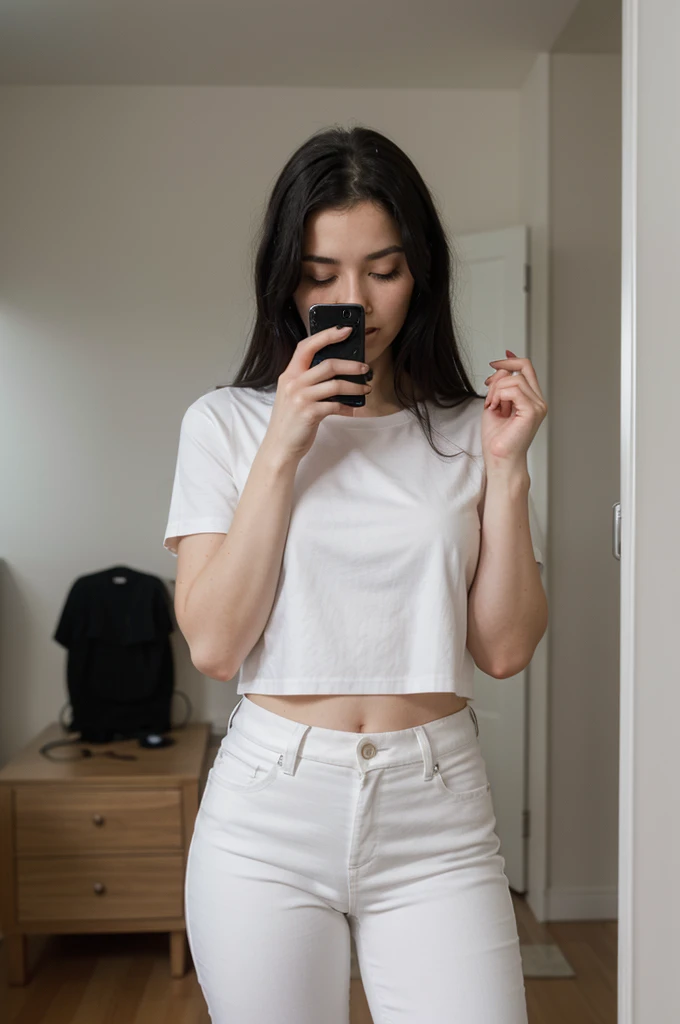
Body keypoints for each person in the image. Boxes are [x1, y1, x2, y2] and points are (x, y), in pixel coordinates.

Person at [163, 125, 548, 1024]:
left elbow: (503, 648)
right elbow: (217, 644)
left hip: (437, 812)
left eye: (383, 270)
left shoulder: (466, 426)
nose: (355, 301)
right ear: (285, 280)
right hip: (268, 812)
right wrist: (286, 443)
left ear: (422, 273)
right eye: (321, 274)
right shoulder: (223, 424)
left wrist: (509, 469)